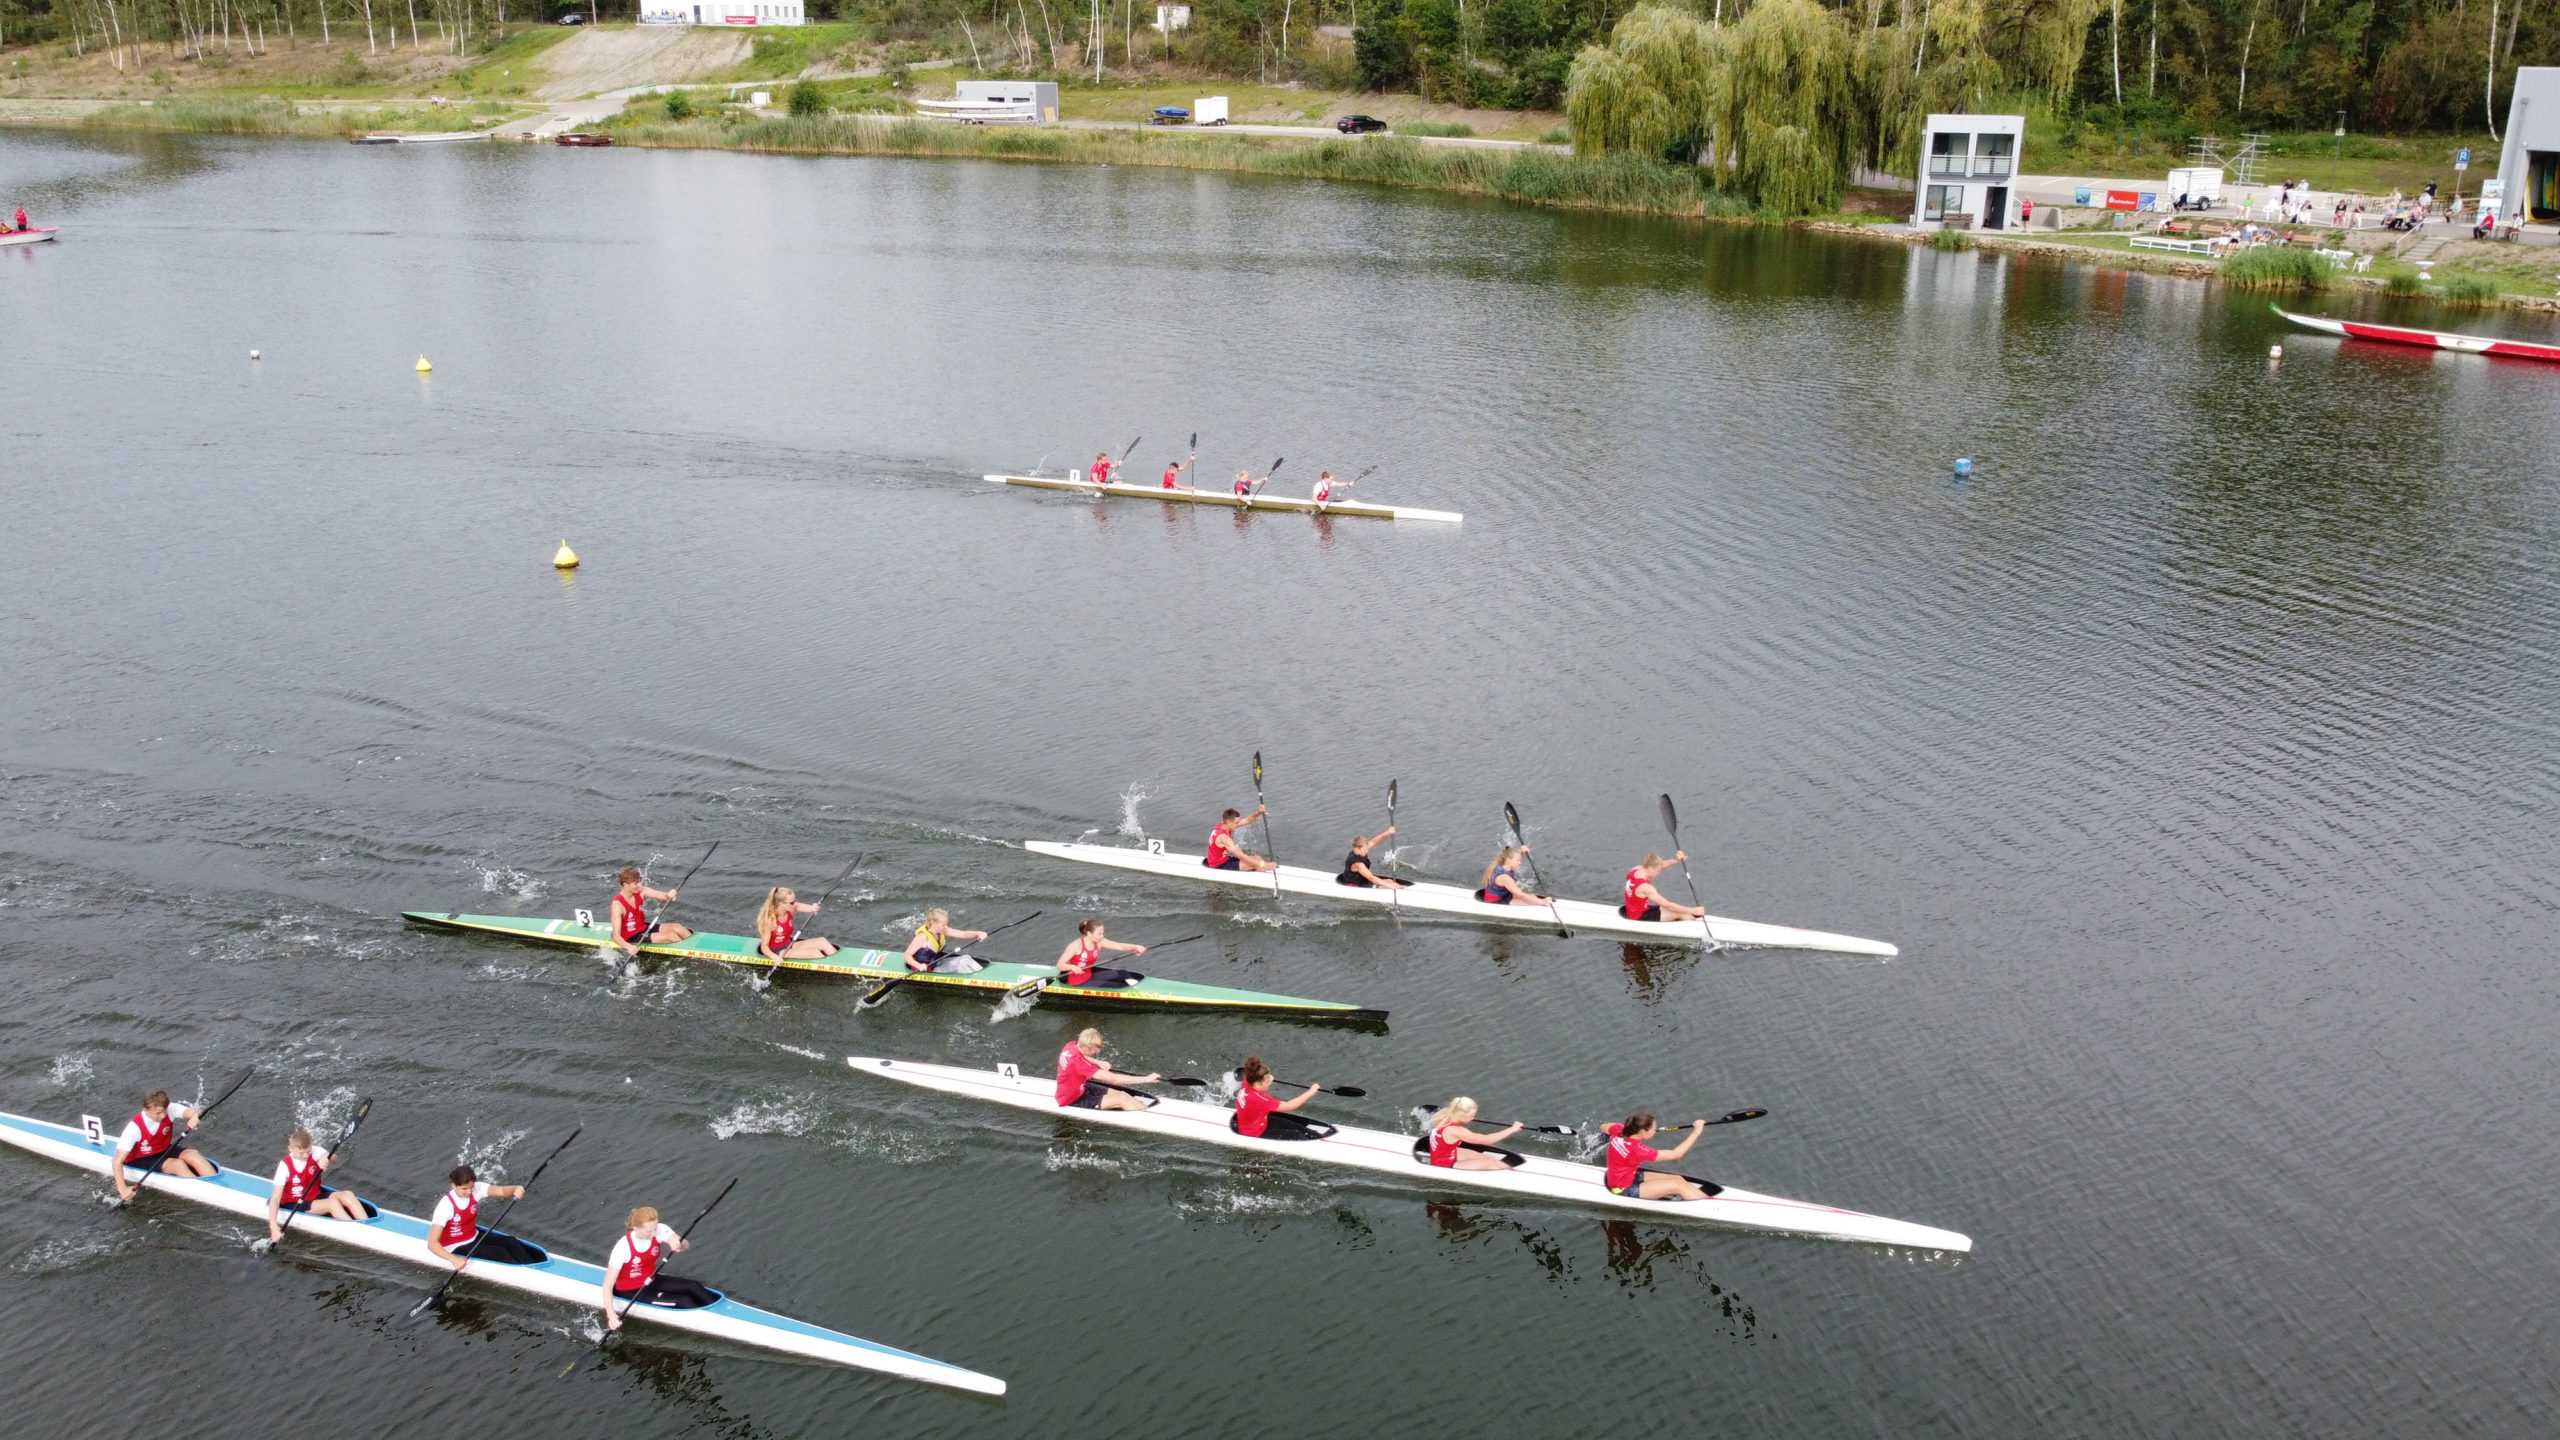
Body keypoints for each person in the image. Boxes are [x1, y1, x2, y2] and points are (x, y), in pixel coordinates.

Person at [600, 1205, 718, 1327]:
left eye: (655, 1229)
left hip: (652, 1279)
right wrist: (611, 1316)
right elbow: (607, 1286)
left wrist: (678, 1243)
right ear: (635, 1228)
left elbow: (685, 1244)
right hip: (631, 1291)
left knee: (694, 1286)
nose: (654, 1233)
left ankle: (717, 1313)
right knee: (684, 1300)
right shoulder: (622, 1248)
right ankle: (711, 1324)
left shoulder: (660, 1229)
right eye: (649, 1231)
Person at [427, 1164, 544, 1266]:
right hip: (454, 1246)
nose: (469, 1192)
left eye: (471, 1187)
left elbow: (501, 1191)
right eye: (464, 1189)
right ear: (454, 1186)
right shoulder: (445, 1206)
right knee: (500, 1252)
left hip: (473, 1236)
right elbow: (432, 1244)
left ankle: (533, 1266)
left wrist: (515, 1189)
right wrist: (454, 1260)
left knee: (510, 1241)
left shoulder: (476, 1188)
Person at [111, 1089, 218, 1200]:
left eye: (164, 1111)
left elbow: (194, 1112)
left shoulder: (169, 1108)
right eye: (158, 1113)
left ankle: (217, 1184)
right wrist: (122, 1189)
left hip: (162, 1149)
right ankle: (205, 1193)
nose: (163, 1116)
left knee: (192, 1154)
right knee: (177, 1165)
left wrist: (194, 1117)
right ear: (146, 1110)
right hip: (139, 1158)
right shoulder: (134, 1128)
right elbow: (117, 1161)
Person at [265, 1128, 368, 1242]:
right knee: (332, 1203)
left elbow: (333, 1158)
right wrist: (273, 1227)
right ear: (290, 1149)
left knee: (347, 1195)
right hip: (293, 1202)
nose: (306, 1155)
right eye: (301, 1153)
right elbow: (275, 1199)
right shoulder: (284, 1166)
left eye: (308, 1151)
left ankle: (367, 1226)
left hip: (314, 1194)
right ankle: (358, 1233)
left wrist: (327, 1158)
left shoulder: (315, 1151)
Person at [1600, 1113, 1715, 1201]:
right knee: (1677, 1185)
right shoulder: (1638, 1151)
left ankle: (1708, 1200)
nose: (1655, 1131)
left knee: (1678, 1179)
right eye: (1653, 1129)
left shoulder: (1618, 1130)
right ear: (1643, 1132)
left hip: (1626, 1176)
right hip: (1623, 1189)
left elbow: (1603, 1127)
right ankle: (1710, 1208)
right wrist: (1696, 1132)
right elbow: (1676, 1154)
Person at [1055, 1028, 1161, 1111]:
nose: (1097, 1052)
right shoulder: (1079, 1064)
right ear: (1087, 1048)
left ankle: (1147, 1110)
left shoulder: (1071, 1046)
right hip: (1073, 1099)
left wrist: (1098, 1062)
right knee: (1120, 1099)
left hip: (1082, 1088)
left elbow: (1082, 1055)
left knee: (1123, 1093)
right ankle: (1149, 1119)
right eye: (1095, 1050)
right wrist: (1146, 1079)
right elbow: (1113, 1079)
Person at [1232, 1056, 1334, 1141]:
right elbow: (1289, 1106)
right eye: (1267, 1081)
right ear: (1258, 1084)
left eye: (1270, 1077)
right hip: (1254, 1133)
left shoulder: (1247, 1082)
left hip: (1259, 1121)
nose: (1271, 1081)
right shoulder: (1257, 1099)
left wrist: (1266, 1077)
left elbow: (1252, 1076)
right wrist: (1311, 1092)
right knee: (1297, 1135)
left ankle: (1319, 1137)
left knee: (1298, 1127)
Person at [608, 865, 691, 956]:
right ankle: (690, 957)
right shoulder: (617, 905)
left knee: (677, 927)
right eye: (635, 883)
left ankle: (695, 949)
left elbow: (663, 896)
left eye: (638, 882)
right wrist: (629, 947)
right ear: (625, 884)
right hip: (630, 935)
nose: (638, 886)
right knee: (672, 936)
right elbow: (616, 936)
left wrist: (669, 895)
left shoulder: (640, 891)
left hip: (642, 927)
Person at [1421, 1098, 1523, 1171]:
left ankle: (1512, 1170)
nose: (1473, 1118)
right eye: (1471, 1116)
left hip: (1445, 1153)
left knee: (1488, 1157)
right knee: (1489, 1163)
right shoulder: (1455, 1130)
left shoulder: (1444, 1116)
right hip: (1443, 1165)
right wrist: (1512, 1129)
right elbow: (1487, 1140)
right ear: (1461, 1114)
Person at [1054, 918, 1148, 989]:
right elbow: (1060, 965)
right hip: (1078, 982)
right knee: (1118, 985)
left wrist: (1136, 947)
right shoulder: (1075, 945)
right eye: (1099, 934)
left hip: (1089, 976)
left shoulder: (1100, 942)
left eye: (1102, 933)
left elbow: (1120, 946)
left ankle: (1139, 989)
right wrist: (1072, 967)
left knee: (1122, 973)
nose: (1102, 936)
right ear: (1089, 933)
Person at [753, 886, 837, 962]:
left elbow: (800, 906)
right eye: (792, 902)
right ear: (781, 904)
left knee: (822, 941)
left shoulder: (790, 909)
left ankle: (839, 963)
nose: (794, 904)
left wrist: (813, 908)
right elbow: (764, 947)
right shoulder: (770, 920)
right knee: (814, 953)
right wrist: (774, 957)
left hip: (788, 944)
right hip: (777, 951)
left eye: (794, 900)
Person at [1621, 853, 1704, 923]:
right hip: (1639, 916)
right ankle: (1695, 929)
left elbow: (1661, 865)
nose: (1659, 873)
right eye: (1658, 871)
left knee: (1674, 910)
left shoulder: (1635, 869)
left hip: (1636, 910)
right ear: (1650, 868)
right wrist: (1692, 910)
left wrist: (1676, 860)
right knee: (1681, 913)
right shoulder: (1646, 887)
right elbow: (1668, 905)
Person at [903, 908, 989, 973]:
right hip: (925, 970)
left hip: (936, 963)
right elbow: (907, 956)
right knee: (961, 965)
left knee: (966, 958)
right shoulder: (922, 937)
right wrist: (918, 965)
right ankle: (977, 982)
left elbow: (964, 934)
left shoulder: (942, 930)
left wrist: (978, 933)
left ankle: (983, 976)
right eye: (943, 925)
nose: (946, 927)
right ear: (934, 924)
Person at [1206, 806, 1276, 872]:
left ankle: (1262, 866)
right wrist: (1261, 865)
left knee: (1256, 856)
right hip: (1219, 865)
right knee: (1254, 864)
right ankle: (1262, 867)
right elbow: (1240, 856)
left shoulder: (1223, 825)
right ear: (1229, 822)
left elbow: (1248, 820)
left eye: (1238, 822)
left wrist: (1259, 812)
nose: (1238, 825)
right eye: (1236, 823)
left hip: (1224, 859)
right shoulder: (1224, 838)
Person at [1475, 845, 1549, 906]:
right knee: (1531, 903)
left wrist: (1521, 851)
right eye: (1517, 861)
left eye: (1520, 860)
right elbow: (1521, 895)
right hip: (1496, 901)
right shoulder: (1504, 877)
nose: (1520, 863)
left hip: (1504, 895)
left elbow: (1513, 855)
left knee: (1533, 896)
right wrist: (1542, 902)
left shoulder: (1503, 864)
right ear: (1508, 860)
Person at [1337, 829, 1409, 889]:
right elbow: (1371, 878)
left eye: (1367, 848)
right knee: (1386, 886)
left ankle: (1401, 888)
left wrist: (1386, 833)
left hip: (1363, 880)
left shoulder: (1360, 849)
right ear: (1357, 849)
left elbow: (1373, 842)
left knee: (1390, 881)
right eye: (1365, 849)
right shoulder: (1358, 864)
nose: (1367, 851)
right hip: (1355, 885)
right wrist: (1389, 886)